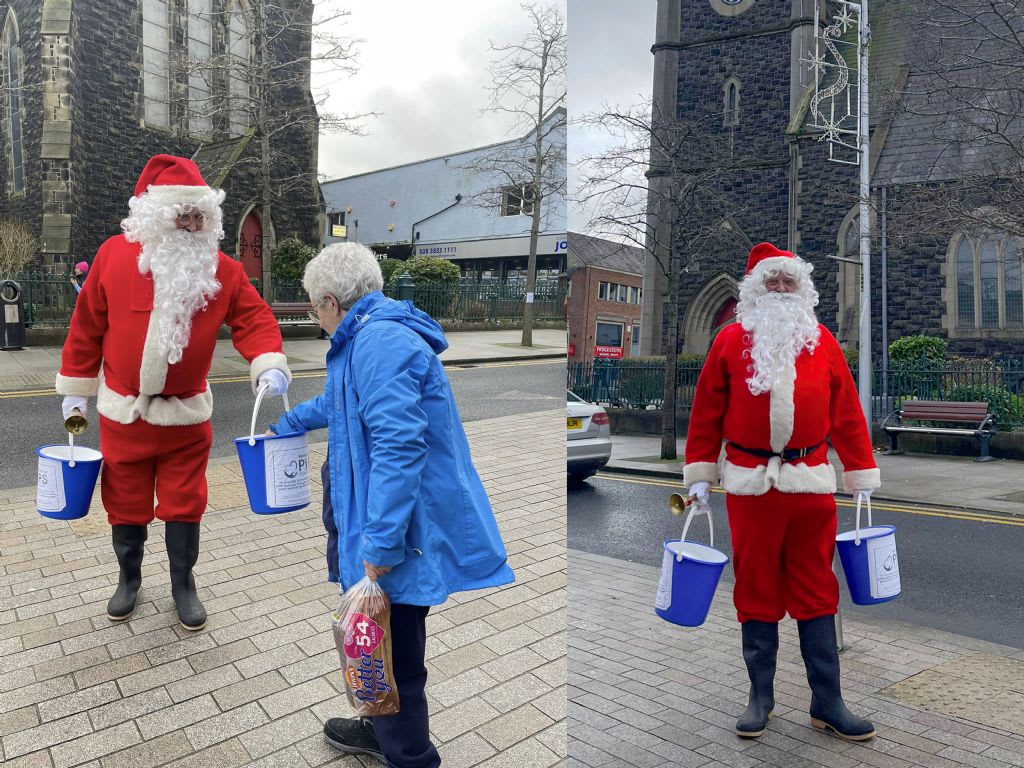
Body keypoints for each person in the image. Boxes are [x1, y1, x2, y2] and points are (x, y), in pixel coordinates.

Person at [266, 242, 515, 768]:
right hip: (392, 521)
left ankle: (411, 755)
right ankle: (380, 729)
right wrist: (290, 422)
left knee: (395, 651)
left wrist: (380, 545)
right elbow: (342, 402)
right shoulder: (367, 337)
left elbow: (399, 446)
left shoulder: (377, 342)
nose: (316, 320)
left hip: (403, 531)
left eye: (314, 309)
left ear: (332, 302)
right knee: (379, 640)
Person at [55, 154, 291, 631]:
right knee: (125, 501)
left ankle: (184, 584)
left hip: (186, 417)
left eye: (198, 215)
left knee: (186, 502)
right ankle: (129, 579)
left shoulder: (220, 269)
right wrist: (77, 390)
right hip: (125, 413)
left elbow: (254, 318)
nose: (190, 223)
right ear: (155, 215)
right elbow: (86, 328)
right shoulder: (114, 256)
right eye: (181, 213)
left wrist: (268, 363)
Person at [683, 242, 880, 742]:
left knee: (817, 589)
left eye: (787, 280)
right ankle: (761, 698)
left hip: (810, 481)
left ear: (802, 288)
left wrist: (860, 473)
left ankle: (827, 702)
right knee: (756, 589)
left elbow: (848, 413)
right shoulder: (729, 340)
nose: (779, 288)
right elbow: (706, 412)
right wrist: (701, 477)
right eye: (770, 281)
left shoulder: (823, 342)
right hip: (751, 487)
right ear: (753, 288)